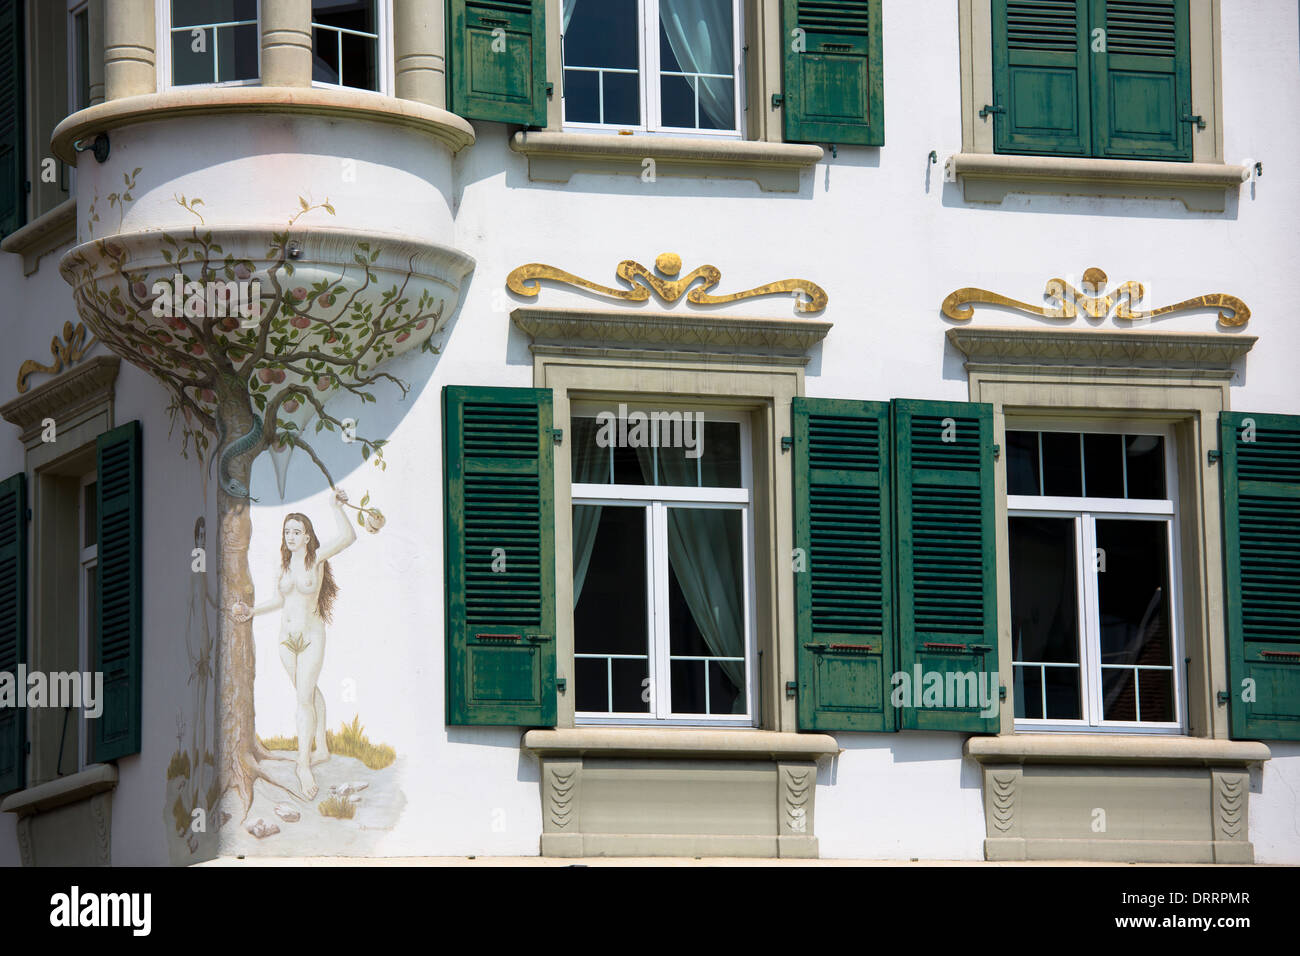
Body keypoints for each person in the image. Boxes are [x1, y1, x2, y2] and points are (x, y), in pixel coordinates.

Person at [231, 488, 356, 798]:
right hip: (286, 639)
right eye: (287, 531)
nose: (290, 535)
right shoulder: (283, 565)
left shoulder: (316, 560)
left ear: (307, 536)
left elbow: (348, 537)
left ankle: (303, 765)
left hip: (311, 636)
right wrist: (252, 612)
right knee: (308, 691)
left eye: (296, 531)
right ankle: (322, 748)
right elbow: (279, 599)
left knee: (303, 698)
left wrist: (335, 506)